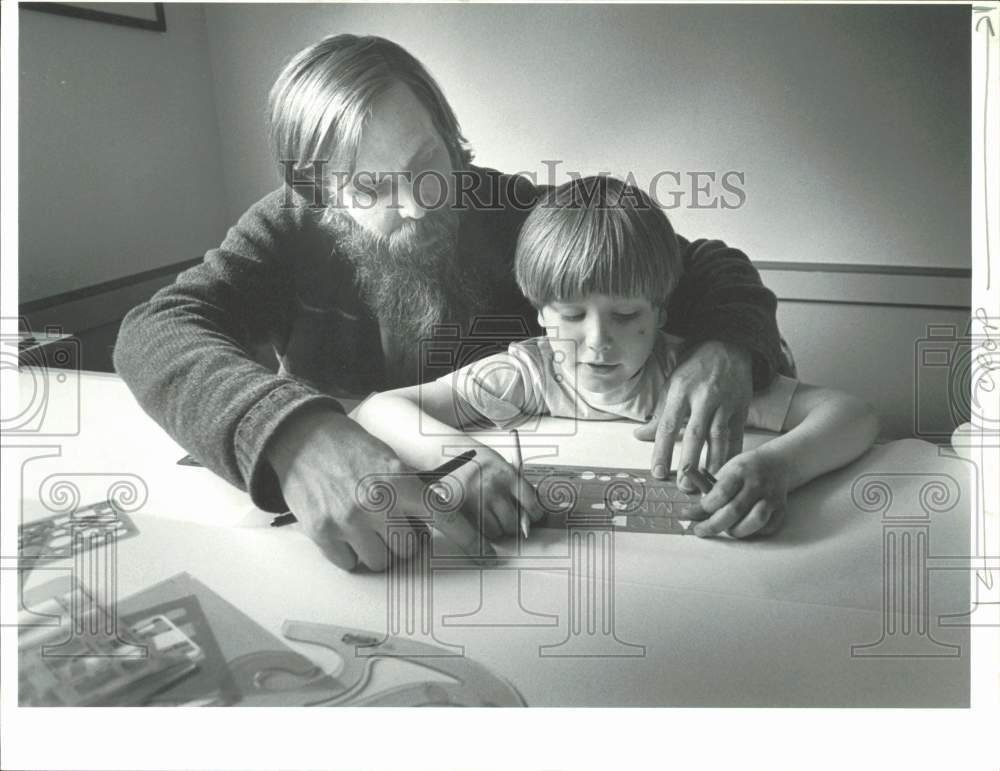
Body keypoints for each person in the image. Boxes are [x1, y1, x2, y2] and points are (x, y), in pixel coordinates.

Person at [114, 34, 788, 570]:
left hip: (517, 542)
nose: (414, 204)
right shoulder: (283, 229)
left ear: (450, 134)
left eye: (426, 164)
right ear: (317, 191)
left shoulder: (513, 211)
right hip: (335, 542)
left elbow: (705, 263)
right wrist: (294, 434)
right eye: (370, 189)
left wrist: (726, 343)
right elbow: (156, 329)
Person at [355, 177, 879, 538]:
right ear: (538, 311)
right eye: (571, 315)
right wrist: (462, 461)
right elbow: (377, 409)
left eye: (626, 316)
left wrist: (780, 466)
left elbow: (852, 414)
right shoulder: (528, 374)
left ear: (661, 309)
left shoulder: (688, 380)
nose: (598, 341)